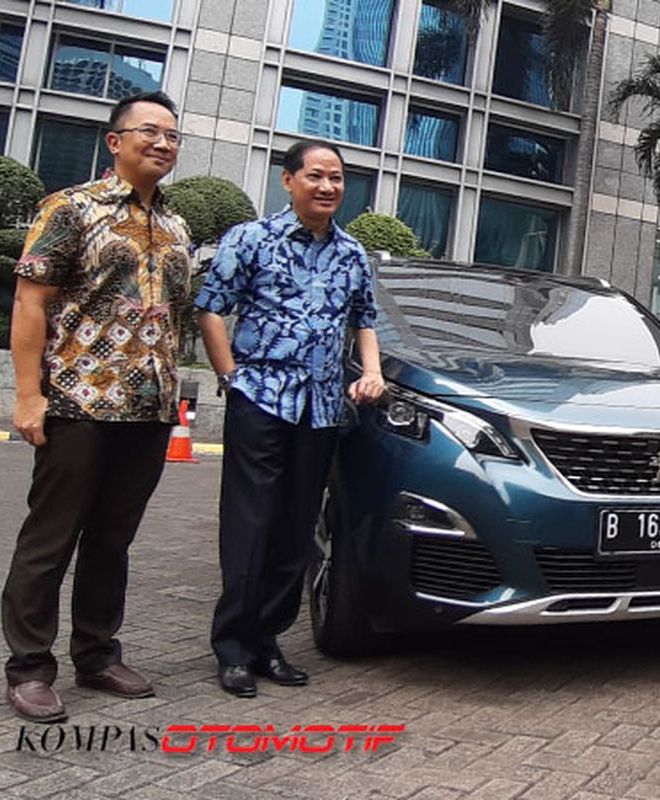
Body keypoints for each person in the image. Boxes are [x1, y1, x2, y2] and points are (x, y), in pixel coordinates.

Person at [1, 92, 192, 722]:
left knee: (113, 541)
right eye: (149, 131)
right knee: (50, 539)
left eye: (172, 135)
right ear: (115, 141)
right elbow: (31, 301)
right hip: (78, 402)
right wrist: (30, 395)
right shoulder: (70, 208)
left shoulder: (175, 225)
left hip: (149, 411)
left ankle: (97, 654)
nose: (163, 143)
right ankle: (29, 667)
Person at [197, 139, 384, 698]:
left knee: (297, 528)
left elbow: (364, 320)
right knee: (250, 523)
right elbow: (210, 306)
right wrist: (232, 377)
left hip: (322, 406)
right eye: (316, 176)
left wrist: (369, 371)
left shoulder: (353, 253)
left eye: (337, 178)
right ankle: (232, 646)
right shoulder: (250, 239)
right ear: (289, 180)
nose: (328, 187)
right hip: (261, 396)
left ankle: (267, 641)